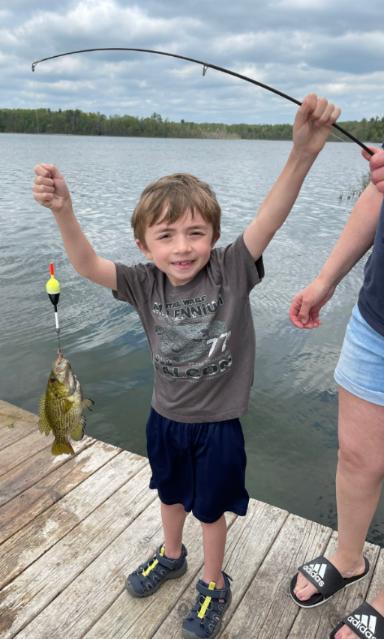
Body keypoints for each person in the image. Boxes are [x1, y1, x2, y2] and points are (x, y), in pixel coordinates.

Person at [33, 94, 340, 639]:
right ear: (144, 245)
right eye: (166, 236)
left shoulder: (232, 269)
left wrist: (302, 154)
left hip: (218, 427)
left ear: (214, 238)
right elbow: (84, 263)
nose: (182, 248)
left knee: (211, 510)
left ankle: (214, 582)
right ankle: (172, 556)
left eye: (195, 233)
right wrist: (64, 210)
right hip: (165, 419)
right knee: (170, 495)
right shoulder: (141, 282)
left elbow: (270, 217)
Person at [289, 145, 384, 639]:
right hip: (377, 319)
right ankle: (349, 558)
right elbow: (378, 194)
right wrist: (325, 280)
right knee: (356, 456)